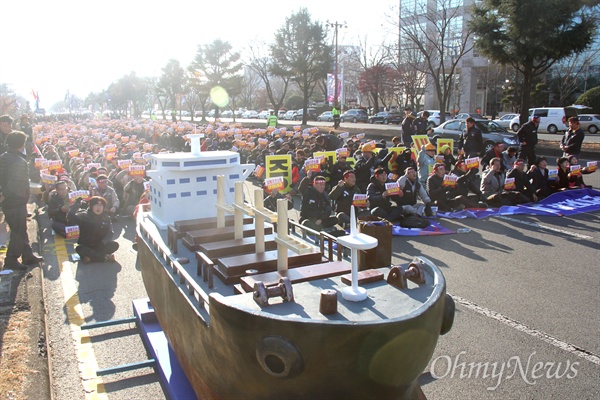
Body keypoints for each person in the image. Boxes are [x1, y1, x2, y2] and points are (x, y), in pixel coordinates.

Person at [0, 131, 44, 270]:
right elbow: (14, 182)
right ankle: (11, 259)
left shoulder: (4, 157)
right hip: (15, 200)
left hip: (9, 201)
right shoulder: (19, 161)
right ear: (22, 144)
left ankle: (27, 255)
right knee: (18, 231)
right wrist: (5, 195)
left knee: (21, 229)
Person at [68, 196, 119, 263]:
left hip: (100, 245)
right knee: (80, 249)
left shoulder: (106, 218)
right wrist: (77, 204)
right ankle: (105, 257)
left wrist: (103, 242)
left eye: (100, 206)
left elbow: (110, 232)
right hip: (87, 245)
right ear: (91, 206)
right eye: (96, 205)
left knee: (114, 245)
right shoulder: (84, 216)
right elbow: (70, 216)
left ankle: (91, 258)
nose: (98, 208)